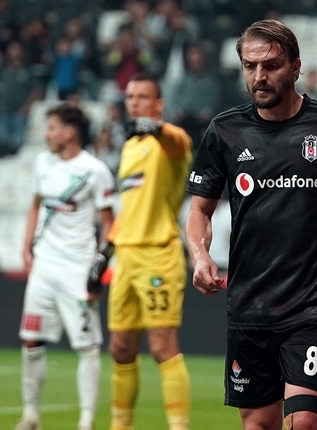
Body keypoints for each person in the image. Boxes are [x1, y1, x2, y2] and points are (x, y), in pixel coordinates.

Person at [185, 20, 317, 430]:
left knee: (305, 422)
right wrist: (199, 254)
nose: (259, 76)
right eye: (250, 66)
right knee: (258, 425)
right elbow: (199, 212)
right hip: (250, 304)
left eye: (271, 65)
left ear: (296, 67)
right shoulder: (225, 130)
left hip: (313, 303)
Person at [93, 72, 193, 430]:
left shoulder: (168, 141)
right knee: (120, 348)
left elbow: (179, 144)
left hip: (158, 253)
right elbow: (128, 208)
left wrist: (156, 128)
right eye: (130, 96)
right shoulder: (130, 147)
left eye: (142, 97)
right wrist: (106, 250)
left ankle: (179, 427)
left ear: (158, 103)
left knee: (163, 346)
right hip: (127, 257)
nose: (133, 102)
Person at [15, 104, 116, 430]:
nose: (47, 134)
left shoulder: (94, 170)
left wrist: (99, 265)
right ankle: (31, 416)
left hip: (77, 269)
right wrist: (27, 246)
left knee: (87, 346)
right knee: (32, 340)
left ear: (69, 132)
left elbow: (108, 223)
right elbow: (35, 205)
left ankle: (85, 421)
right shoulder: (43, 163)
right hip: (44, 267)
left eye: (52, 127)